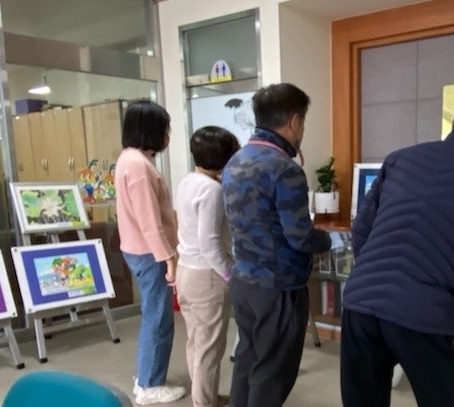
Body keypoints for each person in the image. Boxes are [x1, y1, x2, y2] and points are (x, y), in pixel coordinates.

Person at [340, 104, 454, 407]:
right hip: (425, 311)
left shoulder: (401, 159)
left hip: (360, 303)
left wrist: (377, 281)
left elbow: (361, 230)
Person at [221, 83, 332, 407]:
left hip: (244, 283)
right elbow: (300, 236)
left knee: (247, 361)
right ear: (294, 121)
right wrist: (330, 240)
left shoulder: (235, 161)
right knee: (272, 374)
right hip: (278, 288)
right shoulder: (284, 168)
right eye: (303, 123)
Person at [115, 100, 187, 406]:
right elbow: (149, 222)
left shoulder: (129, 159)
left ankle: (147, 377)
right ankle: (150, 385)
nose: (168, 135)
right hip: (149, 253)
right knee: (158, 319)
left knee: (153, 316)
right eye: (165, 129)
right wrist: (169, 258)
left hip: (139, 250)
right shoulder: (139, 167)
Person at [175, 126, 240, 407]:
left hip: (186, 271)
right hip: (207, 276)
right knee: (210, 348)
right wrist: (229, 272)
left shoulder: (187, 181)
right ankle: (204, 402)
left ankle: (205, 396)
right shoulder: (212, 190)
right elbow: (210, 241)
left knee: (196, 341)